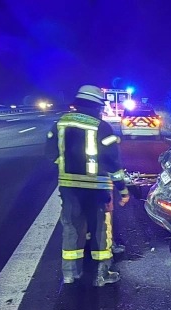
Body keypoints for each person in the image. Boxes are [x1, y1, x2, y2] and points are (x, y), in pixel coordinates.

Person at [45, 85, 130, 287]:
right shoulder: (102, 127)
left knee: (71, 227)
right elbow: (112, 163)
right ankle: (102, 274)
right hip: (97, 189)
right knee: (101, 229)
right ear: (96, 106)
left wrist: (68, 169)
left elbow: (51, 154)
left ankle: (69, 274)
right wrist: (122, 189)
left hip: (69, 187)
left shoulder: (59, 124)